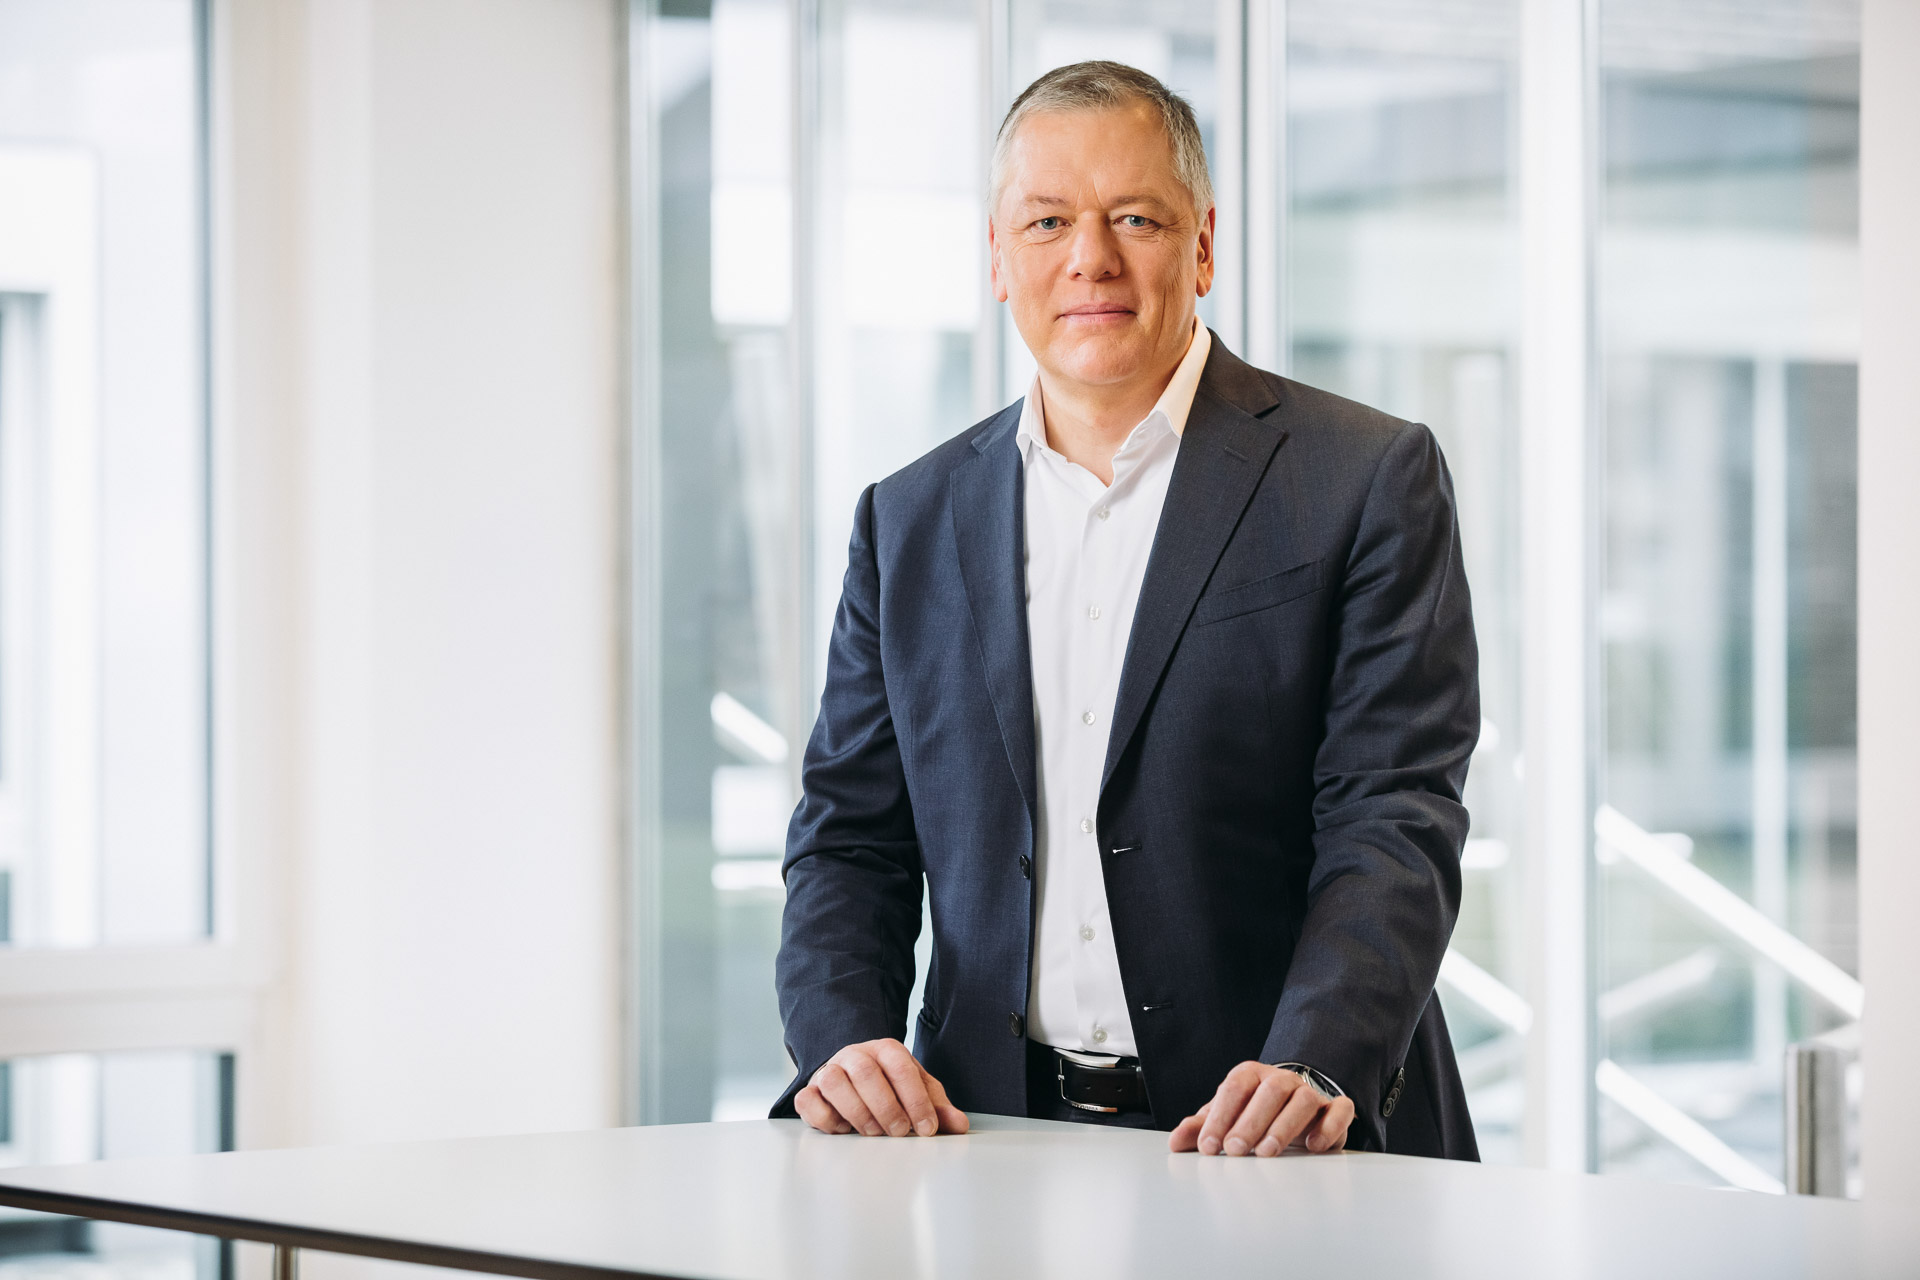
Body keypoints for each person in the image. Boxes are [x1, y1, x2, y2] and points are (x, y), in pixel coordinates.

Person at [771, 60, 1480, 1161]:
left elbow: (1393, 815)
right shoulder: (908, 518)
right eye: (1047, 221)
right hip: (983, 1141)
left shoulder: (1365, 479)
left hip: (1283, 1142)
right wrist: (841, 1035)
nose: (1090, 258)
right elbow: (849, 837)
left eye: (1135, 218)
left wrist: (1317, 1057)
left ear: (1202, 246)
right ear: (998, 256)